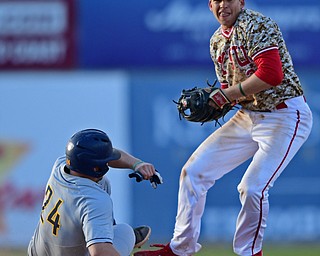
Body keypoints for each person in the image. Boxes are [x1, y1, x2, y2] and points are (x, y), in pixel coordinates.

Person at [134, 0, 313, 256]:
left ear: (240, 2)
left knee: (252, 188)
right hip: (248, 115)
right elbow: (232, 92)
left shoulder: (256, 24)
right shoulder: (217, 40)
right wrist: (214, 101)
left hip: (285, 115)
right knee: (193, 172)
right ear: (210, 6)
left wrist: (225, 95)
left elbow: (272, 74)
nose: (222, 5)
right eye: (216, 0)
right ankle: (181, 248)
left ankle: (249, 252)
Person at [28, 128, 159, 256]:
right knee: (125, 232)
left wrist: (137, 164)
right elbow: (100, 252)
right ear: (96, 167)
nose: (109, 161)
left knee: (98, 223)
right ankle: (105, 236)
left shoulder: (60, 166)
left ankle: (102, 234)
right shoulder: (93, 200)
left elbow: (102, 157)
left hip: (36, 251)